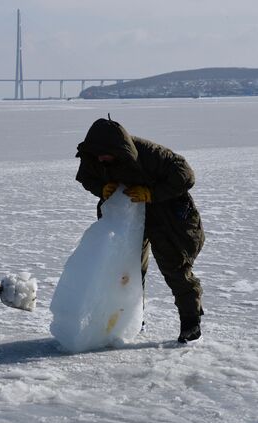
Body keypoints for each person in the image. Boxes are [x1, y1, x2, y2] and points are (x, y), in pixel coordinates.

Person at [75, 117, 205, 343]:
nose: (101, 159)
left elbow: (186, 176)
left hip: (167, 215)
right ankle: (132, 319)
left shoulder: (151, 154)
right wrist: (102, 188)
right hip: (128, 216)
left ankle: (191, 322)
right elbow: (86, 177)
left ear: (118, 148)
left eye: (105, 154)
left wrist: (152, 194)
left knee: (175, 268)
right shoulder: (93, 155)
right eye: (98, 154)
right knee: (127, 270)